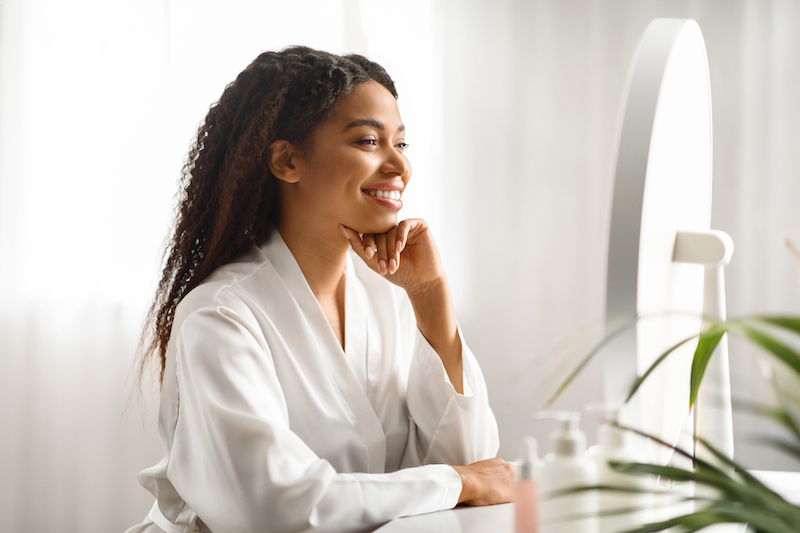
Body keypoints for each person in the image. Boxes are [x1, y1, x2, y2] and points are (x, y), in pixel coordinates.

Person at [127, 46, 513, 533]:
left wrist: (431, 294)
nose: (399, 166)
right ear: (287, 161)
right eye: (369, 141)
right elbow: (273, 508)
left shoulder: (387, 297)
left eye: (402, 144)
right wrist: (458, 482)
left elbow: (478, 467)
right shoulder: (221, 315)